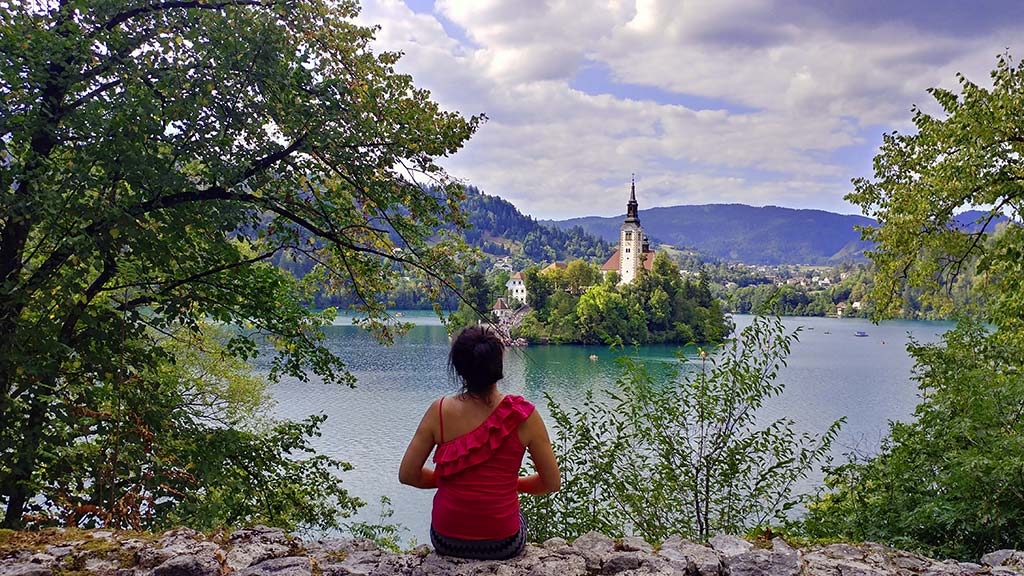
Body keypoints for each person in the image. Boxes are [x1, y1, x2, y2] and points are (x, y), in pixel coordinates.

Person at [399, 326, 560, 560]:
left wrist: (446, 479)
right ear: (498, 365)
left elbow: (408, 475)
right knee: (518, 517)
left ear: (458, 367)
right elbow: (551, 483)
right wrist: (508, 485)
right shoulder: (524, 415)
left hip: (446, 541)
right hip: (503, 543)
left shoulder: (439, 412)